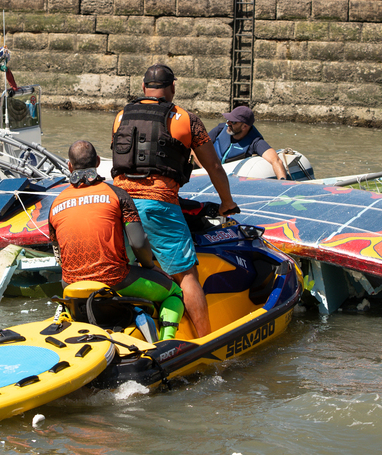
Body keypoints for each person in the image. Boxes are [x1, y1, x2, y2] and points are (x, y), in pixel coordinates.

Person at [111, 64, 239, 339]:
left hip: (118, 203)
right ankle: (205, 340)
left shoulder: (121, 116)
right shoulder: (187, 119)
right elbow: (214, 166)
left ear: (144, 87)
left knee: (125, 268)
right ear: (172, 88)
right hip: (158, 203)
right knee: (187, 275)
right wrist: (226, 202)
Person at [48, 140, 185, 341]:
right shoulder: (117, 195)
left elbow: (59, 255)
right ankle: (168, 344)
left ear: (70, 166)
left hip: (71, 285)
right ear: (97, 161)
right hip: (114, 279)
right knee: (174, 292)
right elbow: (138, 243)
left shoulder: (55, 204)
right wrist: (150, 267)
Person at [206, 105, 289, 179]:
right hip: (207, 171)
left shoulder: (255, 142)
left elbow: (276, 160)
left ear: (244, 126)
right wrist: (203, 168)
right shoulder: (220, 129)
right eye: (228, 119)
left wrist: (282, 182)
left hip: (230, 178)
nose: (228, 123)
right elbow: (200, 146)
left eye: (233, 122)